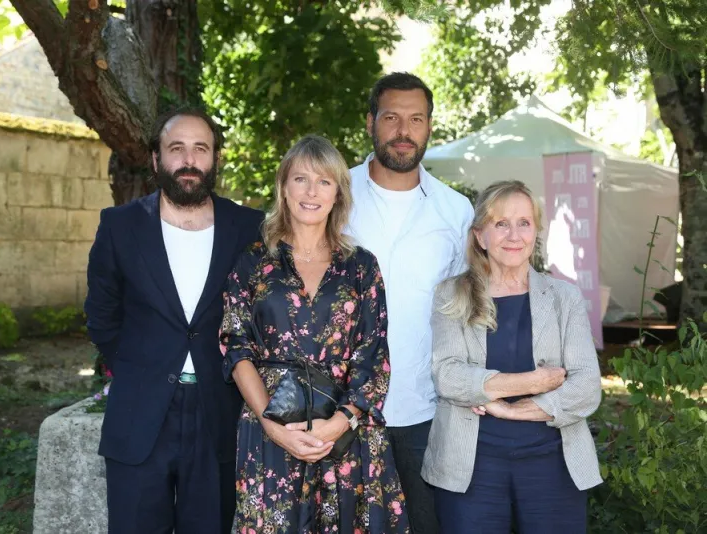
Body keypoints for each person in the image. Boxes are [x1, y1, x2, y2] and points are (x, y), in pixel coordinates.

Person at [84, 107, 264, 534]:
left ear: (215, 158)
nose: (188, 160)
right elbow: (101, 316)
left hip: (219, 411)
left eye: (200, 148)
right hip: (140, 413)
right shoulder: (120, 225)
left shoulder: (249, 227)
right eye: (176, 148)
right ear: (155, 158)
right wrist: (139, 367)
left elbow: (262, 317)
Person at [220, 135, 409, 533]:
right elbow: (236, 347)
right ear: (283, 187)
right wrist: (272, 425)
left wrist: (338, 424)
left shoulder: (361, 267)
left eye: (324, 181)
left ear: (338, 193)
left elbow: (374, 355)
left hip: (346, 437)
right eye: (301, 179)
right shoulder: (252, 262)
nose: (311, 191)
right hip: (271, 429)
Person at [422, 180, 603, 533]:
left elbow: (586, 388)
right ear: (480, 235)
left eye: (524, 223)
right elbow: (448, 376)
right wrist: (534, 382)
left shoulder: (564, 297)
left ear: (536, 231)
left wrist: (508, 409)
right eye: (501, 223)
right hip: (471, 467)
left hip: (553, 463)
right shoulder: (452, 294)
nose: (514, 235)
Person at [346, 72, 474, 533]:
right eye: (391, 118)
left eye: (416, 119)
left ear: (429, 127)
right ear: (370, 123)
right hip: (343, 408)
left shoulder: (455, 211)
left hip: (427, 409)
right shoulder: (333, 195)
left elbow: (470, 310)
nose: (404, 131)